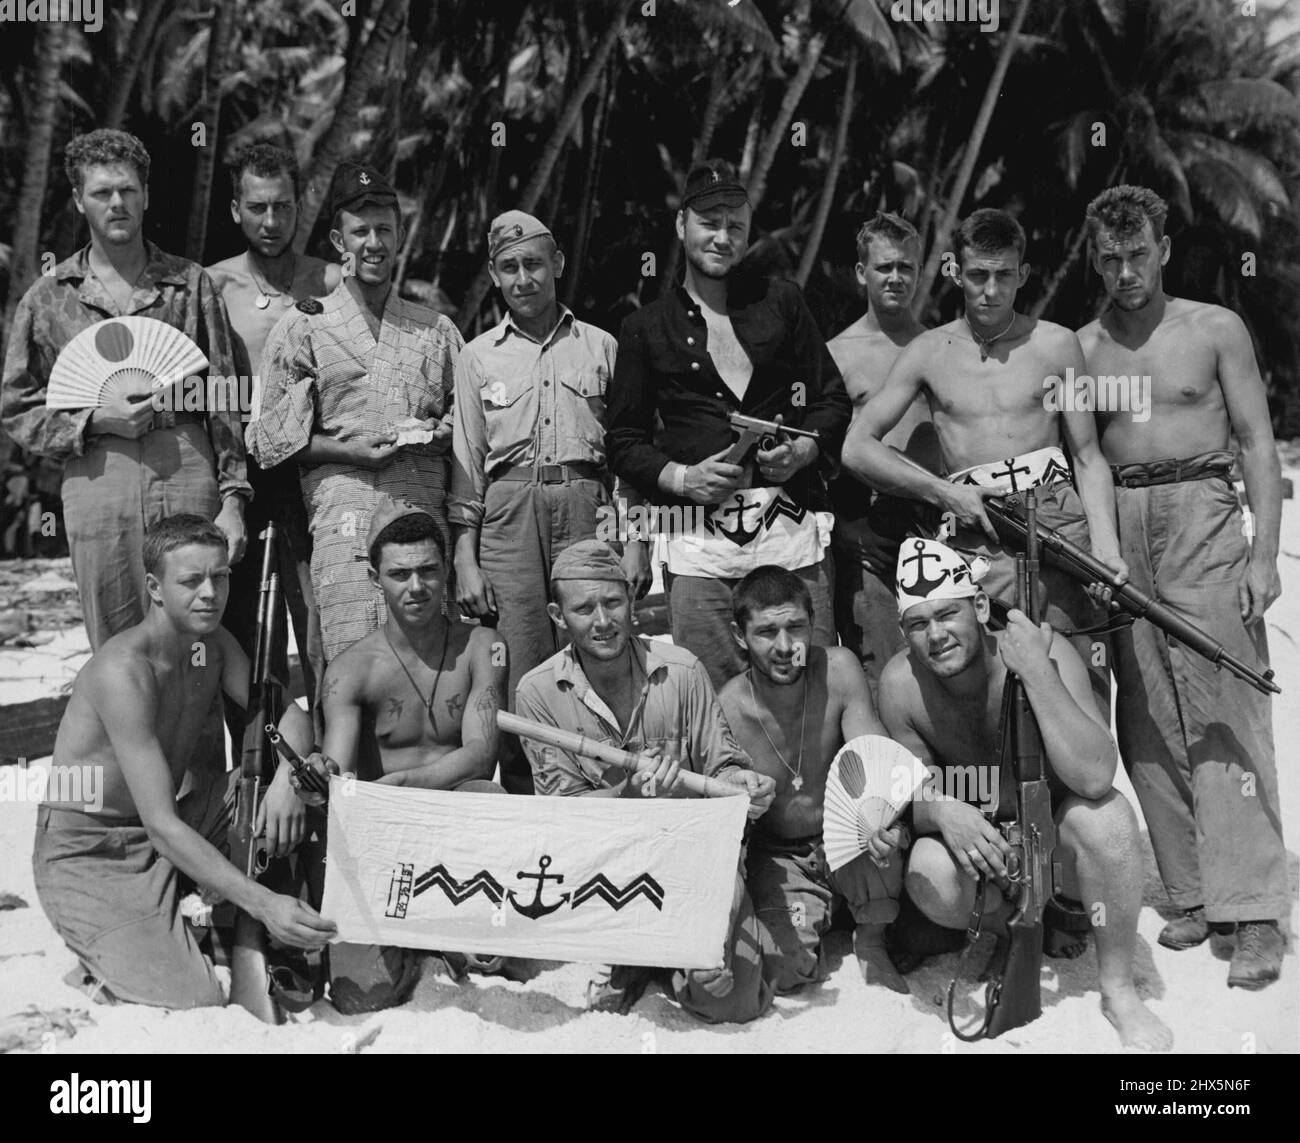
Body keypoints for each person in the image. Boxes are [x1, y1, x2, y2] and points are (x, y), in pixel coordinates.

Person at [1077, 185, 1287, 988]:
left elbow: (1261, 445)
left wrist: (1264, 555)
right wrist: (1098, 545)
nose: (1125, 271)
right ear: (1095, 256)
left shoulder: (1214, 328)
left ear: (1164, 250)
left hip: (1202, 506)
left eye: (1138, 254)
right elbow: (1081, 452)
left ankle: (1256, 907)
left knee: (1225, 702)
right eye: (1109, 256)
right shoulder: (1083, 348)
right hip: (1121, 517)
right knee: (1149, 712)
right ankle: (1196, 891)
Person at [876, 538, 1172, 1051]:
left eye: (948, 614)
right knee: (928, 870)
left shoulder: (1045, 652)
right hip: (989, 850)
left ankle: (1118, 990)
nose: (937, 635)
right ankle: (1009, 930)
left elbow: (1097, 775)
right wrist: (944, 809)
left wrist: (1036, 672)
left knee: (1109, 818)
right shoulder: (900, 684)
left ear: (982, 607)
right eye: (919, 625)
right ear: (903, 633)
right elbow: (911, 790)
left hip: (1058, 840)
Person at [30, 514, 336, 1009]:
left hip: (166, 828)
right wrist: (264, 904)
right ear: (153, 587)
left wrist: (287, 776)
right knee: (196, 998)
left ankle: (213, 922)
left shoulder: (210, 645)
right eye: (191, 581)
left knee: (313, 784)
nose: (210, 594)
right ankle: (120, 943)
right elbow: (161, 827)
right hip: (90, 852)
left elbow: (291, 717)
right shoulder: (123, 670)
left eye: (220, 577)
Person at [841, 208, 1124, 712]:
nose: (990, 291)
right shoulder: (930, 350)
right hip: (979, 537)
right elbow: (857, 446)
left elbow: (1086, 455)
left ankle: (1086, 788)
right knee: (991, 698)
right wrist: (946, 493)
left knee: (1083, 686)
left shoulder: (1057, 343)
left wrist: (1103, 547)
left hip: (1060, 524)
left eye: (1003, 276)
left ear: (1023, 275)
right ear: (955, 272)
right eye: (977, 276)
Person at [604, 159, 852, 691]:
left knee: (810, 686)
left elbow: (832, 401)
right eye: (709, 222)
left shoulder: (782, 302)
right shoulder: (644, 328)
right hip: (697, 550)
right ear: (681, 225)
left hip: (791, 538)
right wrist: (680, 477)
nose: (722, 237)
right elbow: (624, 441)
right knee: (712, 696)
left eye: (735, 225)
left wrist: (802, 454)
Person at [2, 129, 249, 651]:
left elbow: (224, 393)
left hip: (186, 464)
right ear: (78, 200)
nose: (117, 203)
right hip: (97, 474)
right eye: (101, 193)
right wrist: (92, 421)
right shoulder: (47, 298)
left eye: (128, 190)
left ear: (146, 195)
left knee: (195, 640)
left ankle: (198, 736)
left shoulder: (192, 283)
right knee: (117, 645)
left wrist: (233, 499)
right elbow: (16, 405)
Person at [513, 539, 777, 1023]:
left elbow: (722, 766)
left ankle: (667, 952)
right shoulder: (536, 692)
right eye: (584, 608)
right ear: (556, 614)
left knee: (731, 1001)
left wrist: (746, 784)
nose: (602, 621)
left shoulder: (682, 670)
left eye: (613, 602)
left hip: (694, 857)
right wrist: (629, 797)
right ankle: (640, 951)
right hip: (605, 866)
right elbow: (560, 818)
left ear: (631, 601)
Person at [284, 497, 509, 1012]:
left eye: (429, 571)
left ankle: (456, 935)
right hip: (384, 833)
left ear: (446, 571)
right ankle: (422, 937)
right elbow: (337, 767)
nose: (416, 587)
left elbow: (479, 754)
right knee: (360, 995)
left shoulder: (484, 646)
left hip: (461, 817)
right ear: (373, 577)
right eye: (399, 573)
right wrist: (322, 775)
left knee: (489, 797)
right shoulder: (350, 669)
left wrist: (406, 784)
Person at [450, 210, 647, 794]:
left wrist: (633, 539)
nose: (523, 279)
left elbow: (627, 456)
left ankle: (604, 785)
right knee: (517, 654)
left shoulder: (603, 346)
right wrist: (464, 556)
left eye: (534, 263)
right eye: (508, 268)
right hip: (507, 511)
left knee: (596, 639)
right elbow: (466, 460)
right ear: (494, 274)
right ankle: (523, 789)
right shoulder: (476, 357)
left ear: (557, 264)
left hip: (586, 500)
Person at [248, 161, 462, 663]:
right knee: (349, 660)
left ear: (400, 235)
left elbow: (470, 427)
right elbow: (266, 439)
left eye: (384, 229)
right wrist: (350, 452)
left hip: (422, 510)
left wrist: (439, 432)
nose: (374, 243)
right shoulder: (304, 328)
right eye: (360, 231)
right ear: (338, 240)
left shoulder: (436, 329)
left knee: (431, 660)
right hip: (342, 514)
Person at [718, 565, 914, 994]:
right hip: (784, 858)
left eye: (797, 628)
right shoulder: (728, 706)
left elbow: (875, 761)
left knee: (883, 832)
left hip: (849, 840)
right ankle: (819, 915)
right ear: (740, 637)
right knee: (786, 969)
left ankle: (871, 939)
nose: (786, 647)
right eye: (767, 632)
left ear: (813, 624)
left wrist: (880, 817)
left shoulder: (839, 670)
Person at [207, 142, 340, 717]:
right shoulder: (211, 287)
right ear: (236, 210)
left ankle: (338, 777)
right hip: (242, 476)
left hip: (315, 474)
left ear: (300, 205)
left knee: (324, 632)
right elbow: (204, 393)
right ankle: (260, 780)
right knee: (248, 637)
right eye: (257, 208)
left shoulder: (331, 280)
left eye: (282, 207)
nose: (270, 221)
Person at [827, 212, 938, 693]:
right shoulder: (836, 353)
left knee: (947, 670)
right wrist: (843, 528)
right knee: (880, 673)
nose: (896, 277)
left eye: (906, 268)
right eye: (884, 267)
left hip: (938, 524)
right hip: (867, 532)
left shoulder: (942, 346)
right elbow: (823, 454)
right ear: (861, 273)